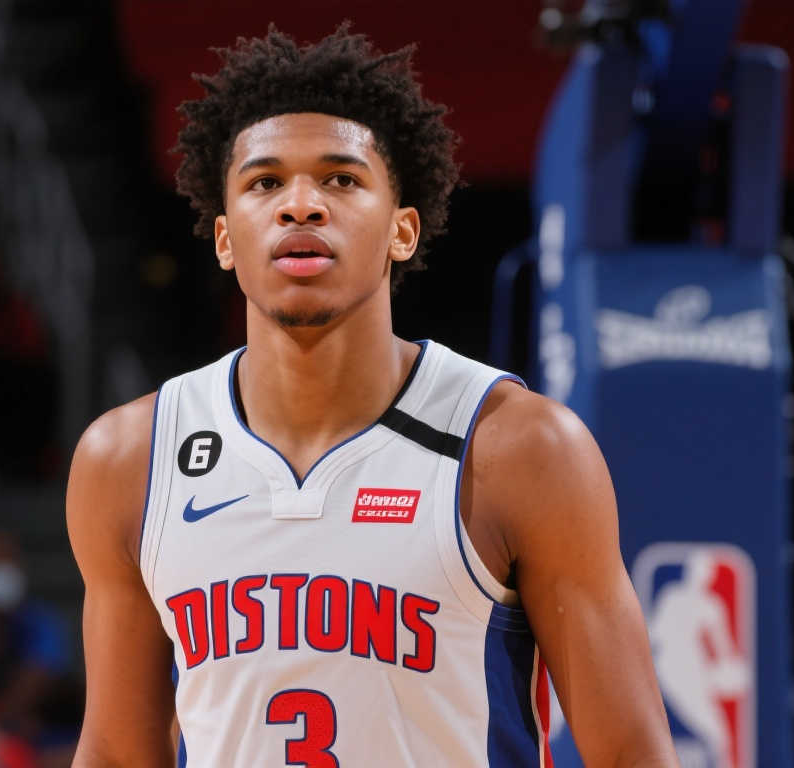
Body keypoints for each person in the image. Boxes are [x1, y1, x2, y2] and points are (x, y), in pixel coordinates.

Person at [67, 24, 678, 767]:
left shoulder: (519, 448)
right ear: (224, 239)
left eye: (341, 180)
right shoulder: (131, 458)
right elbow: (117, 753)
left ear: (402, 231)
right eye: (265, 183)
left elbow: (632, 753)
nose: (300, 205)